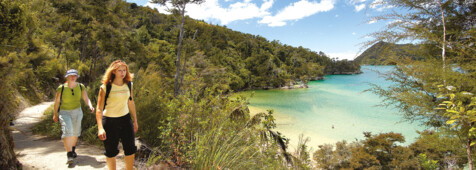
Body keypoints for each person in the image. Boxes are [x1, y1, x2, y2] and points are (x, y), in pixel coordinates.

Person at [96, 60, 138, 170]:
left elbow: (131, 102)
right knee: (111, 152)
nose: (122, 73)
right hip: (110, 121)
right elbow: (99, 109)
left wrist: (135, 121)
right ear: (114, 71)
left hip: (125, 120)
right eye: (119, 70)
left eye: (124, 70)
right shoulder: (105, 87)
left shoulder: (129, 85)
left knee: (130, 149)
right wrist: (100, 128)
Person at [53, 69, 95, 164]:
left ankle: (72, 149)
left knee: (75, 132)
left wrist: (90, 106)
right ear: (67, 77)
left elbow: (86, 98)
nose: (73, 77)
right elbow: (57, 102)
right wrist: (55, 114)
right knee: (67, 130)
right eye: (70, 75)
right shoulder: (61, 88)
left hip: (77, 112)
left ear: (77, 77)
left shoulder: (80, 86)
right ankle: (69, 154)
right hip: (64, 112)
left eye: (74, 76)